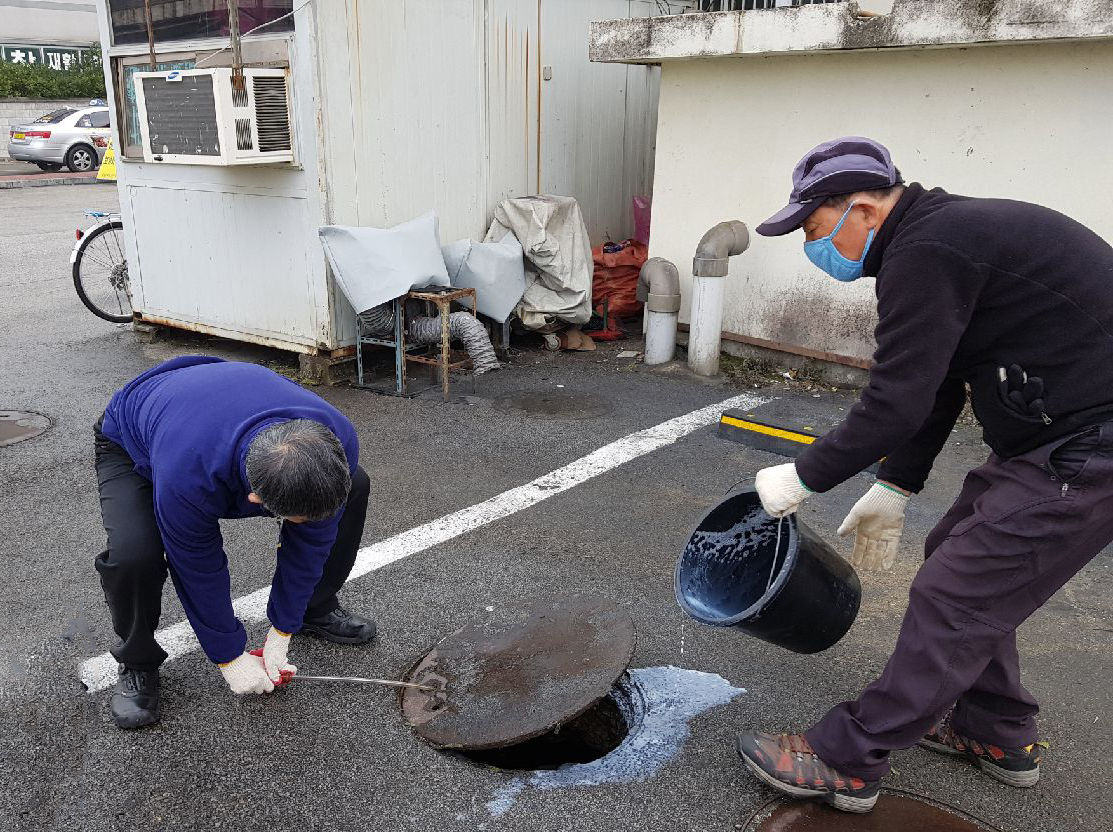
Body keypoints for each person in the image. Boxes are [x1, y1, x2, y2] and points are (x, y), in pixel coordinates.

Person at [736, 137, 1113, 813]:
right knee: (959, 562)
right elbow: (934, 382)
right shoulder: (933, 239)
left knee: (956, 591)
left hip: (1087, 445)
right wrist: (894, 485)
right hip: (1057, 435)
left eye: (814, 230)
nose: (811, 249)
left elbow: (893, 401)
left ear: (861, 209)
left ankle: (846, 760)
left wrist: (802, 478)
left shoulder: (929, 248)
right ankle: (993, 731)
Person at [93, 356, 376, 729]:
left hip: (211, 404)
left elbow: (313, 537)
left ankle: (314, 607)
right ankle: (137, 661)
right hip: (136, 438)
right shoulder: (188, 476)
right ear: (255, 501)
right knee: (135, 555)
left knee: (355, 485)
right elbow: (197, 564)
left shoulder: (337, 436)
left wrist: (283, 627)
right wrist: (228, 655)